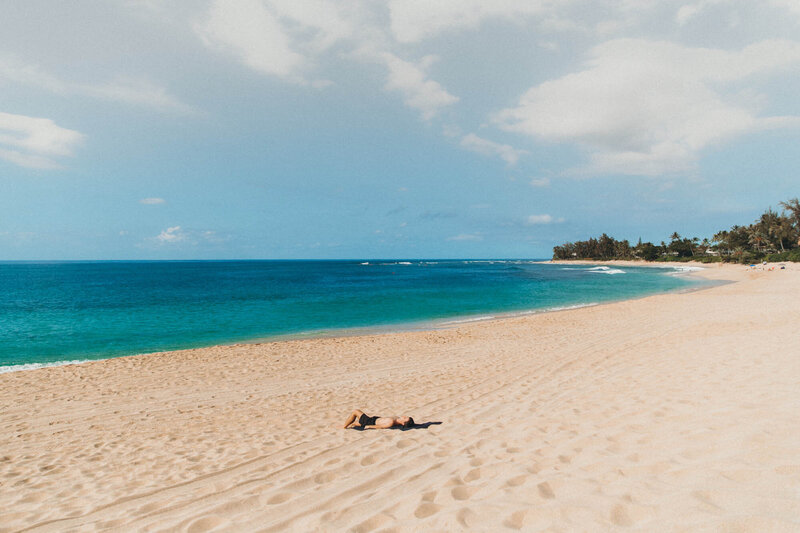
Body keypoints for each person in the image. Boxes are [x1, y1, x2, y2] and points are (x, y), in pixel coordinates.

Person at [343, 409, 415, 429]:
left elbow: (380, 426)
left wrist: (369, 426)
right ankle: (350, 424)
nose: (404, 416)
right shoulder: (397, 418)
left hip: (370, 422)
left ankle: (344, 427)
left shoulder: (391, 422)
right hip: (373, 419)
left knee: (356, 411)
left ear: (403, 423)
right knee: (354, 424)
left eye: (405, 418)